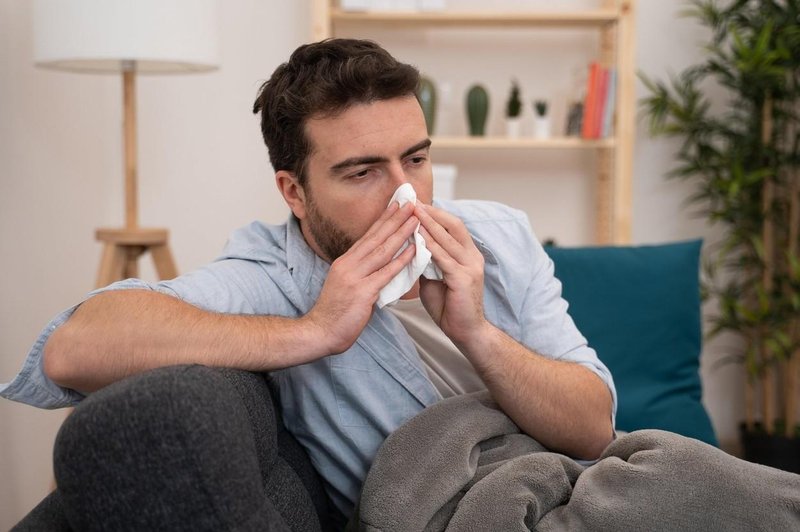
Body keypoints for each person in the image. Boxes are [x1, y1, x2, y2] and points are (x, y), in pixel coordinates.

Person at [1, 39, 615, 521]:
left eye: (417, 159)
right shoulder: (276, 277)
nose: (405, 194)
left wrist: (476, 332)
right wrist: (317, 329)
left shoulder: (500, 236)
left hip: (577, 496)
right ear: (294, 191)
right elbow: (73, 348)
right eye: (362, 172)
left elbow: (594, 428)